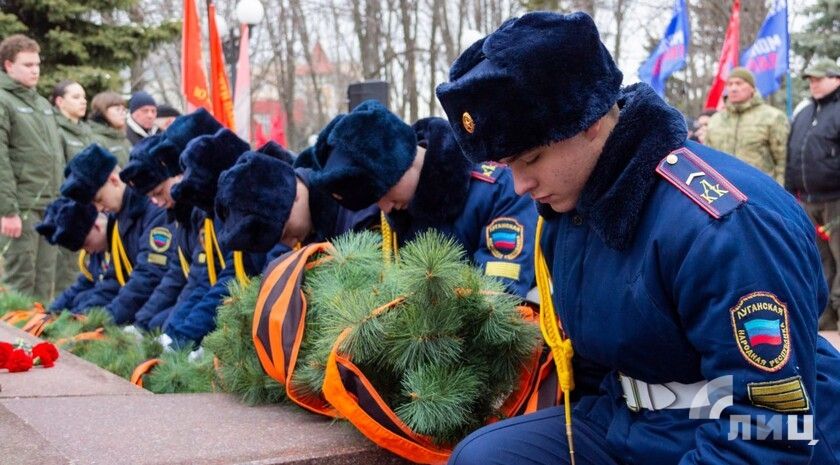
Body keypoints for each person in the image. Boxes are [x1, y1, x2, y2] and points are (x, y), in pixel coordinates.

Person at [435, 11, 840, 465]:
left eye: (531, 158)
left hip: (729, 435)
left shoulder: (723, 225)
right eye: (508, 167)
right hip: (627, 422)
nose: (520, 186)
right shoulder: (571, 207)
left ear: (589, 122)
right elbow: (591, 364)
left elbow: (770, 426)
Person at [307, 101, 537, 298]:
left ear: (401, 165)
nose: (385, 207)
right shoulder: (399, 215)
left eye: (383, 194)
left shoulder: (498, 191)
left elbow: (499, 297)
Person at [119, 108, 224, 331]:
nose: (155, 202)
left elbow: (204, 280)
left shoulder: (206, 209)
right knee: (158, 324)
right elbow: (180, 274)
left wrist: (177, 334)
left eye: (158, 193)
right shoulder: (185, 213)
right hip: (206, 302)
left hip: (225, 307)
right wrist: (143, 323)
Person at [61, 145, 175, 324]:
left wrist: (109, 319)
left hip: (162, 306)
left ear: (113, 180)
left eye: (98, 199)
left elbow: (149, 276)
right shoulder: (118, 217)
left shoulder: (154, 207)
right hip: (143, 306)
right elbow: (114, 279)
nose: (98, 209)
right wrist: (82, 317)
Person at [0, 34, 63, 300]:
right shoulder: (4, 100)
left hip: (50, 205)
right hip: (22, 207)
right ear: (8, 65)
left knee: (45, 280)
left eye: (37, 64)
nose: (35, 70)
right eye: (27, 64)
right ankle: (13, 341)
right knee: (20, 281)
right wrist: (8, 211)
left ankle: (36, 340)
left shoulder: (41, 103)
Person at [786, 58, 840, 332]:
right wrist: (788, 192)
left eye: (819, 78)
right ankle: (826, 317)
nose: (813, 83)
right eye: (810, 79)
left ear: (836, 79)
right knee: (819, 262)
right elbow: (792, 154)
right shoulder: (805, 112)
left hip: (836, 201)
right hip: (807, 200)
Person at [705, 67, 789, 184]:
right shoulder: (715, 120)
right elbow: (708, 158)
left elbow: (782, 162)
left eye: (739, 83)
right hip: (722, 190)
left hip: (759, 190)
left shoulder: (773, 117)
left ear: (752, 88)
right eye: (730, 84)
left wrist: (780, 192)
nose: (734, 88)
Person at [50, 79, 95, 294]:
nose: (83, 102)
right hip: (67, 207)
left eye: (84, 97)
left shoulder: (86, 132)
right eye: (76, 97)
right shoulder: (56, 131)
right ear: (60, 101)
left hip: (88, 207)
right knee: (64, 269)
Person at [36, 198, 118, 313]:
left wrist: (76, 315)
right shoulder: (101, 244)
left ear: (97, 226)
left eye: (86, 244)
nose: (87, 251)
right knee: (80, 297)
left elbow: (111, 289)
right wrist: (52, 312)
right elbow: (85, 283)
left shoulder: (121, 237)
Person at [88, 91, 132, 166]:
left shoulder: (124, 140)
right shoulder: (95, 140)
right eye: (118, 109)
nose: (123, 113)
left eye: (124, 109)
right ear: (102, 111)